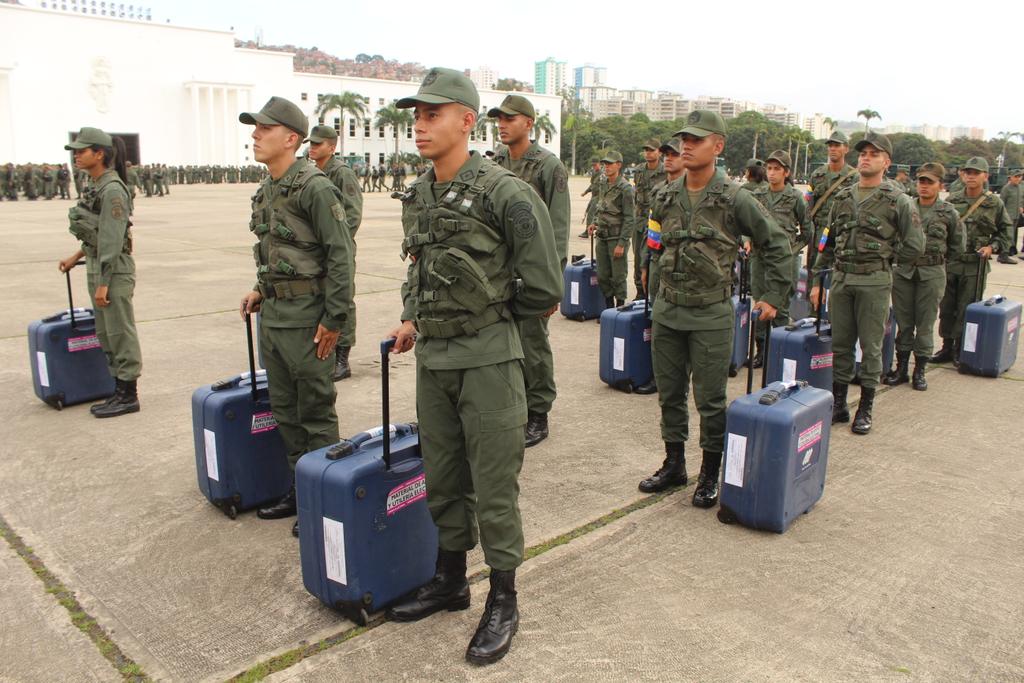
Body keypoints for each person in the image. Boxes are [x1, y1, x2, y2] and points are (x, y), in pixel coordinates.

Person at [384, 67, 562, 665]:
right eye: (416, 115)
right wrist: (413, 317)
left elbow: (542, 286)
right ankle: (451, 578)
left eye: (432, 114)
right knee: (443, 477)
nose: (420, 125)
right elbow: (420, 266)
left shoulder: (506, 192)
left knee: (493, 486)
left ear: (466, 119)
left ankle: (504, 597)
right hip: (433, 358)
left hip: (488, 358)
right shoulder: (421, 192)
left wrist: (489, 316)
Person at [637, 111, 792, 510]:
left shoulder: (735, 198)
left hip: (710, 314)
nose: (686, 146)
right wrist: (645, 270)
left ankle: (709, 472)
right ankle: (674, 464)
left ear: (718, 146)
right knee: (669, 394)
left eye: (697, 140)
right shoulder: (665, 195)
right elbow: (654, 241)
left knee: (708, 398)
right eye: (683, 139)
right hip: (668, 310)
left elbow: (775, 244)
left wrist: (771, 295)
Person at [237, 97, 355, 536]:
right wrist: (259, 289)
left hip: (309, 321)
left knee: (315, 413)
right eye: (254, 129)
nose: (255, 135)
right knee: (285, 410)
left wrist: (335, 318)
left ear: (290, 138)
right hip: (276, 317)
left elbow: (340, 256)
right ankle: (298, 489)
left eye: (263, 129)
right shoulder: (268, 188)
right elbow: (276, 249)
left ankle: (322, 499)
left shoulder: (315, 186)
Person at [809, 132, 924, 435]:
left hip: (874, 281)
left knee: (871, 347)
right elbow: (827, 242)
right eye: (863, 153)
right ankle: (839, 404)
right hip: (843, 280)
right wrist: (819, 281)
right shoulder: (843, 197)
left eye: (874, 154)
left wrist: (886, 259)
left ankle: (866, 407)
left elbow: (915, 245)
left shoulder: (897, 200)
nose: (866, 157)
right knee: (841, 344)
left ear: (886, 162)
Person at [489, 93, 570, 447]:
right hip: (499, 272)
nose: (502, 125)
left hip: (533, 273)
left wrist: (551, 285)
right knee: (503, 344)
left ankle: (538, 412)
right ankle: (515, 407)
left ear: (529, 123)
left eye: (510, 118)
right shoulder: (494, 164)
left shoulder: (548, 166)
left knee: (533, 345)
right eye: (499, 119)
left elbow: (559, 228)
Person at [58, 127, 143, 418]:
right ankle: (118, 388)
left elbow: (113, 239)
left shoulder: (113, 190)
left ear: (100, 154)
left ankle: (129, 394)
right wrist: (75, 256)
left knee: (119, 331)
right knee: (105, 332)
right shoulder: (96, 186)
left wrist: (104, 282)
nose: (77, 156)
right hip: (99, 265)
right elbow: (98, 234)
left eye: (82, 151)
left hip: (113, 271)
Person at [883, 162, 965, 390]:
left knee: (926, 324)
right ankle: (901, 369)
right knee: (905, 323)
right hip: (904, 272)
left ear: (940, 185)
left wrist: (938, 264)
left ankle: (919, 371)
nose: (924, 186)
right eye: (921, 181)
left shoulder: (948, 212)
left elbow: (957, 246)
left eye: (930, 182)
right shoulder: (904, 207)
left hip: (931, 273)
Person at [931, 156, 1014, 365]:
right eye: (968, 172)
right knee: (947, 307)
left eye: (976, 173)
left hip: (974, 265)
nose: (971, 176)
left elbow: (1005, 231)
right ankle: (947, 346)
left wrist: (992, 247)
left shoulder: (994, 203)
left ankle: (961, 348)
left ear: (985, 176)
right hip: (951, 263)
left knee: (967, 308)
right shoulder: (953, 200)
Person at [305, 124, 364, 381]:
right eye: (311, 143)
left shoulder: (341, 173)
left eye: (318, 144)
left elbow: (352, 213)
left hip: (337, 248)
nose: (313, 147)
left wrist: (334, 241)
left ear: (332, 147)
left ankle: (342, 359)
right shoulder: (311, 172)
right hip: (317, 250)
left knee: (342, 301)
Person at [749, 150, 812, 365]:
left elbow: (807, 230)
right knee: (759, 302)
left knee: (781, 306)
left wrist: (793, 250)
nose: (772, 173)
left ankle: (779, 350)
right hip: (759, 257)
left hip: (785, 261)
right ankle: (761, 351)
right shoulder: (757, 195)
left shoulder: (795, 197)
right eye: (769, 168)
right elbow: (747, 223)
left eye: (777, 169)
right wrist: (747, 239)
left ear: (786, 172)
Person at [587, 150, 634, 308]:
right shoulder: (603, 183)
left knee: (618, 276)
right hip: (602, 236)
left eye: (610, 164)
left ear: (619, 165)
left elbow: (629, 218)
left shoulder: (626, 188)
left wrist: (622, 243)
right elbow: (601, 206)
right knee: (602, 275)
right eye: (605, 164)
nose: (606, 167)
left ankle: (620, 306)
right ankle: (608, 308)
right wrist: (594, 222)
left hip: (616, 238)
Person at [807, 131, 857, 271]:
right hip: (819, 238)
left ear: (846, 148)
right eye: (830, 146)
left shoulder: (854, 178)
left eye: (837, 145)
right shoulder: (817, 175)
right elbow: (808, 205)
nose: (832, 149)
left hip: (843, 238)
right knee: (815, 279)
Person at [632, 139, 666, 301]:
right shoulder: (639, 171)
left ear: (659, 152)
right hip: (640, 222)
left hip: (657, 223)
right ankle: (640, 291)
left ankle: (655, 292)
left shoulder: (665, 171)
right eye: (646, 150)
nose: (648, 153)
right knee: (638, 257)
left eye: (651, 150)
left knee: (655, 258)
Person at [998, 168, 1022, 256]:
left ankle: (1010, 249)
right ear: (1010, 177)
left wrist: (1021, 207)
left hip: (1016, 215)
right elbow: (1001, 202)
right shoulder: (1006, 188)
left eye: (1020, 177)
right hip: (1008, 215)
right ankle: (1004, 252)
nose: (1018, 179)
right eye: (1016, 177)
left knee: (1012, 234)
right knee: (1007, 234)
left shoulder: (1019, 188)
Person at [580, 157, 604, 238]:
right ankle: (593, 231)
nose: (594, 167)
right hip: (594, 196)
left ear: (599, 164)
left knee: (592, 214)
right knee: (590, 213)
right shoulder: (594, 173)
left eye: (595, 165)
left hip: (599, 196)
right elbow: (592, 185)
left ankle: (588, 232)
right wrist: (585, 192)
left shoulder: (602, 174)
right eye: (593, 165)